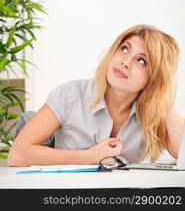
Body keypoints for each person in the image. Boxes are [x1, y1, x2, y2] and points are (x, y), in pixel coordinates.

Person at [8, 24, 184, 167]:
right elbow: (17, 155)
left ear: (155, 77)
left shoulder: (154, 114)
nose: (125, 62)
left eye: (141, 61)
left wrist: (163, 95)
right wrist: (90, 156)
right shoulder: (70, 95)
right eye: (124, 49)